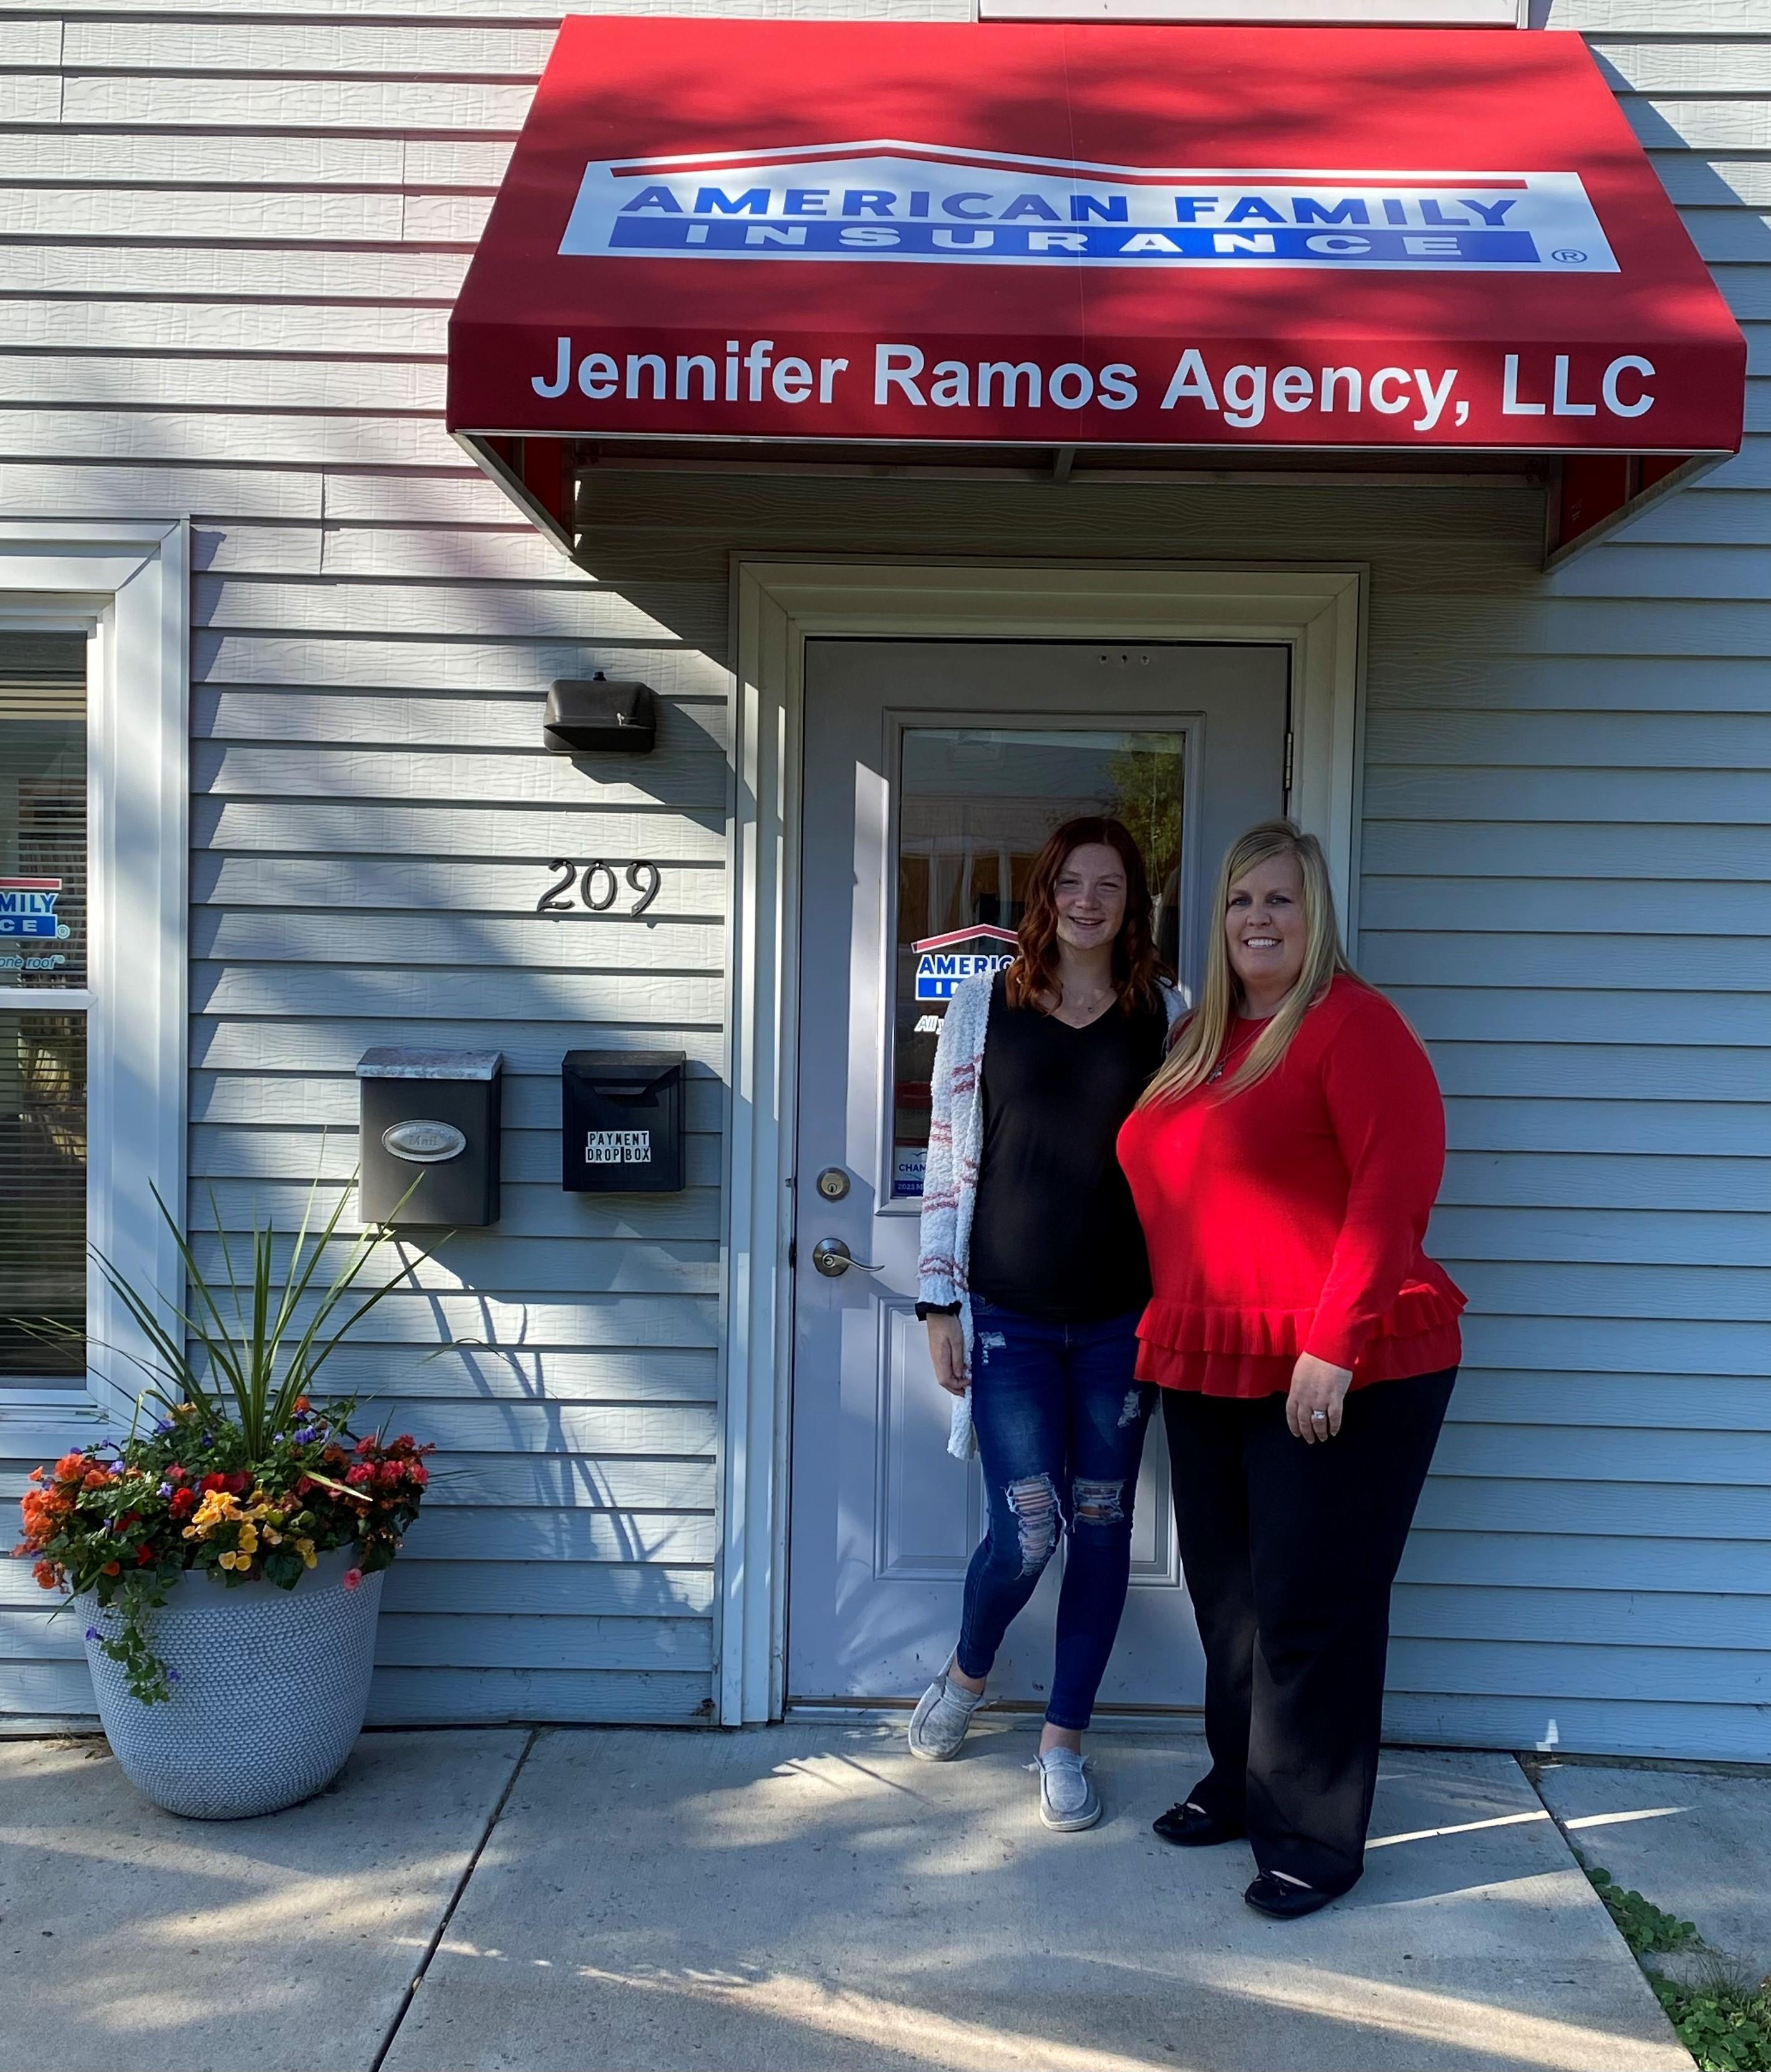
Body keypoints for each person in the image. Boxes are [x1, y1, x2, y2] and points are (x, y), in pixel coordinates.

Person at [1117, 819, 1465, 1915]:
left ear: (1317, 919)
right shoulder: (1203, 1040)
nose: (1257, 920)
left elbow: (1392, 1192)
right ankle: (1243, 1781)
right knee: (1232, 1603)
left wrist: (1333, 1343)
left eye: (1280, 901)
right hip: (1210, 1351)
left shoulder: (1354, 1028)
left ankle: (1314, 1838)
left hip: (1339, 1358)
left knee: (1313, 1604)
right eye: (1239, 903)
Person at [910, 816, 1183, 1831]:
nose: (1087, 900)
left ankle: (1065, 1738)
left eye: (1108, 884)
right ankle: (970, 1671)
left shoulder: (1168, 1013)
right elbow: (946, 1158)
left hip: (1122, 1323)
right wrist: (939, 1297)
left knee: (1103, 1527)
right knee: (1027, 1531)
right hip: (1011, 1320)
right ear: (1045, 892)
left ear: (1132, 901)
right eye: (1071, 881)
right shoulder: (988, 1006)